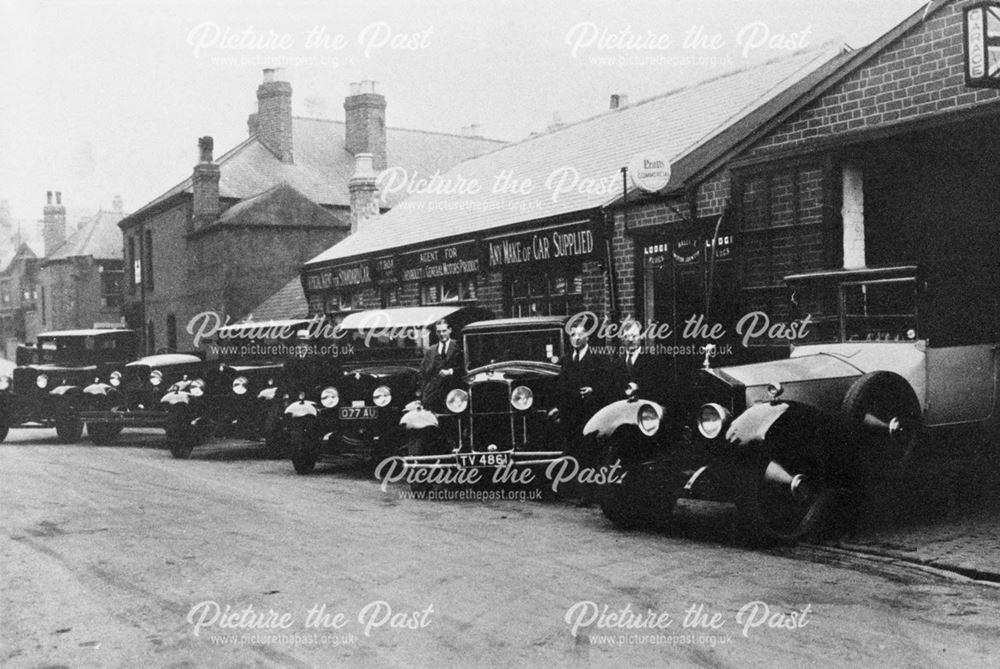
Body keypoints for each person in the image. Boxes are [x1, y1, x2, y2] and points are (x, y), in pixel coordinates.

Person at [553, 322, 609, 506]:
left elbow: (609, 383)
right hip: (572, 414)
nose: (576, 338)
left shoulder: (598, 358)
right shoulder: (567, 360)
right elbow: (561, 387)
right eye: (572, 335)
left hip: (591, 413)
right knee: (576, 451)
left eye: (580, 335)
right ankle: (580, 490)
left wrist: (594, 389)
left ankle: (592, 493)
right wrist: (559, 408)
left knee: (591, 452)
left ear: (588, 337)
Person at [420, 319, 463, 411]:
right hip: (434, 392)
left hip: (453, 391)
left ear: (450, 330)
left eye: (444, 331)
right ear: (436, 333)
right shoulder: (431, 350)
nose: (442, 334)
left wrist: (450, 371)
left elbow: (465, 367)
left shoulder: (459, 347)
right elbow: (424, 372)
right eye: (439, 331)